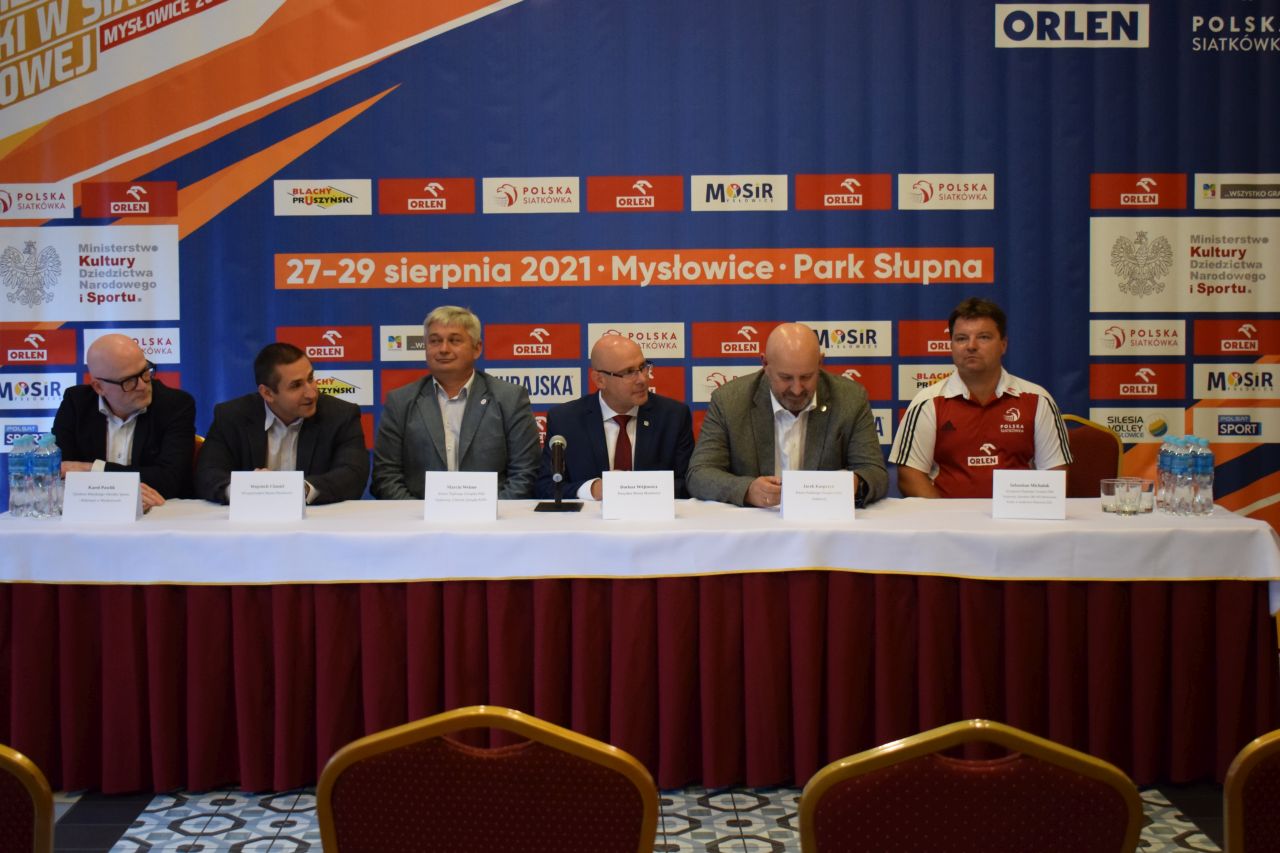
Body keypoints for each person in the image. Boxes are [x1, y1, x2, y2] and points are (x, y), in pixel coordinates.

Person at [686, 322, 887, 507]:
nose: (797, 389)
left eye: (806, 377)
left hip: (823, 521)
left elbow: (875, 472)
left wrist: (854, 483)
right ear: (765, 364)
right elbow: (699, 474)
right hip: (755, 524)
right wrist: (747, 490)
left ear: (820, 363)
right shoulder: (729, 401)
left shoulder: (851, 399)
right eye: (785, 378)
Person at [890, 297, 1072, 498]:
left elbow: (1055, 474)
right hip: (948, 516)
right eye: (961, 338)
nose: (971, 346)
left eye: (983, 337)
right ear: (951, 345)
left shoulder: (1038, 399)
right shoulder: (928, 402)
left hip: (1018, 515)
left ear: (1003, 345)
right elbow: (910, 475)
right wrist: (943, 515)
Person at [371, 306, 540, 499]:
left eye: (454, 340)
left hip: (495, 514)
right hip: (417, 514)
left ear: (477, 348)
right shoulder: (400, 401)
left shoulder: (509, 398)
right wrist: (419, 514)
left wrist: (492, 513)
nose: (443, 349)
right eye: (435, 341)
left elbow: (525, 472)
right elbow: (386, 475)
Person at [194, 343, 369, 504]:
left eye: (310, 378)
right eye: (296, 385)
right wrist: (247, 489)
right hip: (249, 521)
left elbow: (353, 475)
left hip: (316, 522)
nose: (311, 393)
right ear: (267, 393)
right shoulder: (232, 416)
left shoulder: (340, 416)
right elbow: (207, 473)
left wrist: (298, 490)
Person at [536, 334, 694, 500]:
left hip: (653, 515)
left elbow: (688, 483)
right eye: (629, 372)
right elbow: (546, 486)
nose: (642, 379)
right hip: (591, 516)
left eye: (643, 367)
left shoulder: (673, 416)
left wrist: (637, 490)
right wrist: (592, 489)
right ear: (600, 380)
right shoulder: (565, 420)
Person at [53, 333, 195, 510]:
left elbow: (169, 479)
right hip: (91, 511)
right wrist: (124, 490)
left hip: (157, 514)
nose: (143, 386)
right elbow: (59, 471)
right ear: (99, 387)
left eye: (145, 372)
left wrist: (92, 470)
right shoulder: (76, 403)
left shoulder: (175, 405)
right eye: (129, 381)